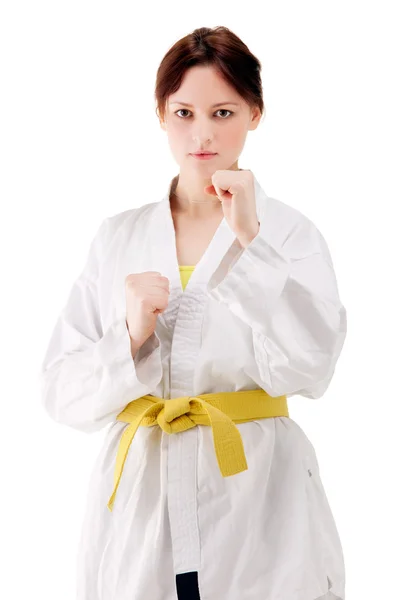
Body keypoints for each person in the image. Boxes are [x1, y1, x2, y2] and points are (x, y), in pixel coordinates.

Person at [39, 25, 347, 600]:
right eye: (183, 113)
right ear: (160, 113)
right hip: (140, 501)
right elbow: (60, 392)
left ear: (255, 113)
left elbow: (313, 369)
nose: (202, 134)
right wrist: (129, 338)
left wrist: (253, 245)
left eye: (223, 113)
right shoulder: (118, 237)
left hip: (260, 498)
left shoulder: (290, 234)